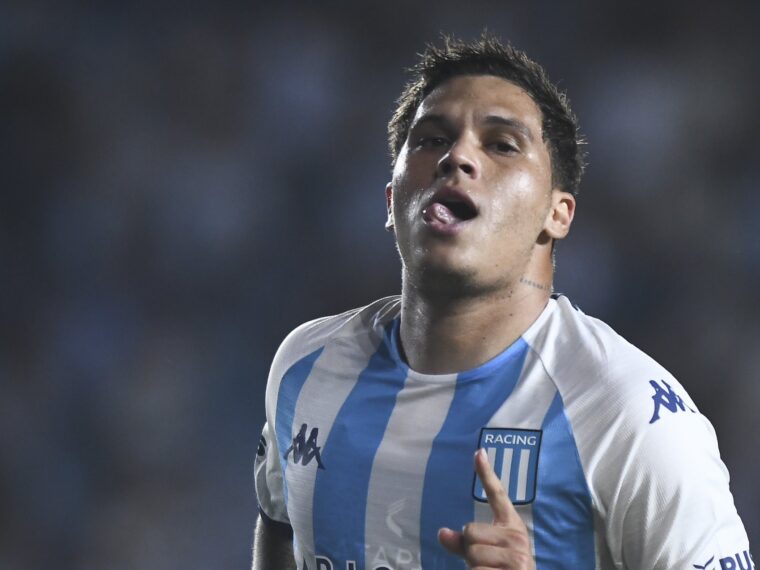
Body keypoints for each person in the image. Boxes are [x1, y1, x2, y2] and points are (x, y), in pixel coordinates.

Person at [252, 35, 751, 570]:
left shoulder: (625, 414)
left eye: (502, 145)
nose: (457, 157)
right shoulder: (307, 367)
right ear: (392, 201)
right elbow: (279, 531)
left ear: (557, 214)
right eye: (431, 139)